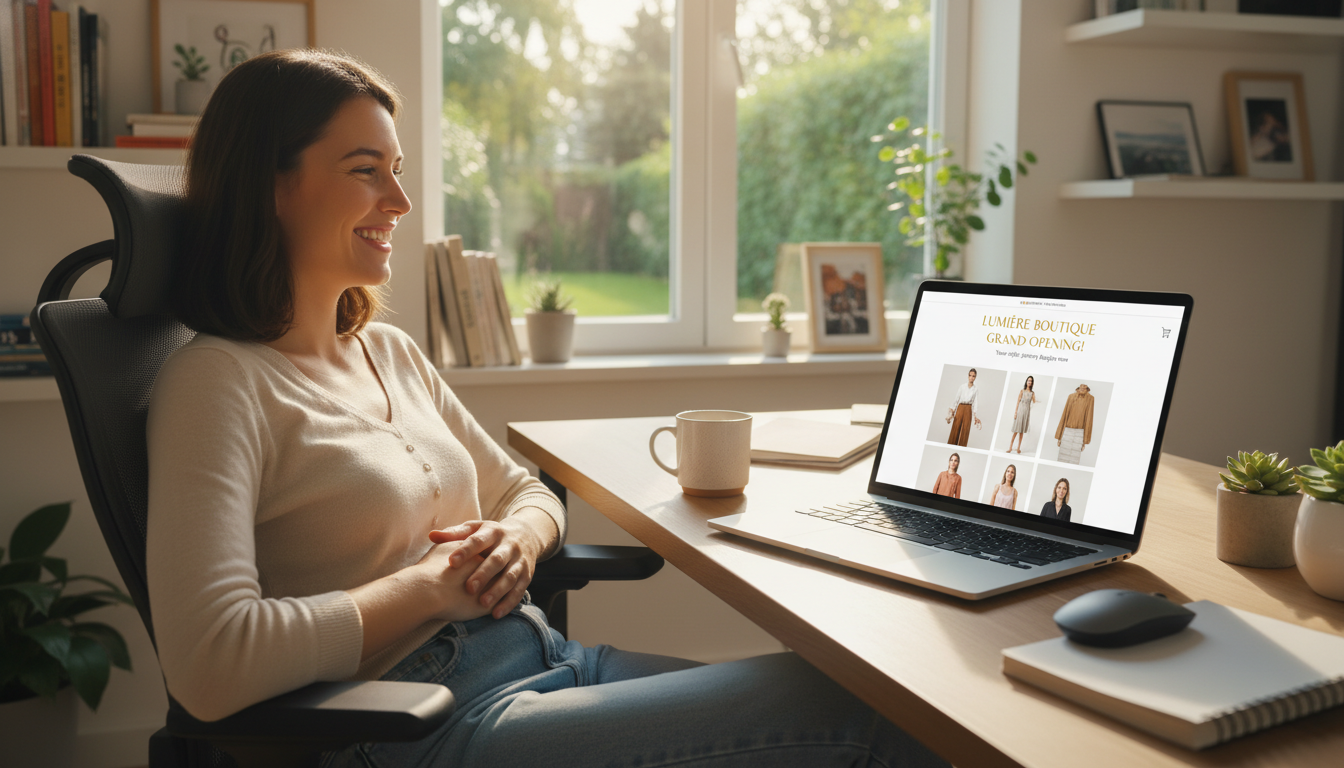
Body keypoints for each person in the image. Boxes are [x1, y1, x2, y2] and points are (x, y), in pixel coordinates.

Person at [145, 49, 946, 768]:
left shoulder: (387, 353)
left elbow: (526, 493)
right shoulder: (218, 383)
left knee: (879, 696)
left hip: (548, 659)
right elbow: (212, 663)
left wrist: (515, 545)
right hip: (419, 725)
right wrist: (430, 586)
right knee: (867, 714)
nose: (400, 199)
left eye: (397, 168)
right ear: (272, 186)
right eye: (366, 169)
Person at [1054, 383, 1095, 465]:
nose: (1083, 388)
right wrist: (1060, 437)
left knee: (1074, 460)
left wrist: (1084, 441)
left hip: (1080, 433)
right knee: (1062, 457)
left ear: (1087, 388)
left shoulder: (1090, 399)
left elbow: (1089, 419)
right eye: (1081, 387)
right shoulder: (1071, 396)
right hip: (1067, 430)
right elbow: (1065, 415)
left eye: (1085, 387)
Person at [944, 368, 982, 446]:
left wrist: (975, 416)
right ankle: (951, 444)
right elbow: (957, 398)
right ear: (968, 376)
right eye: (970, 375)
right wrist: (952, 409)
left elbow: (975, 402)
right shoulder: (962, 387)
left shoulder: (975, 389)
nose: (971, 377)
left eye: (973, 376)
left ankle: (962, 446)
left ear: (975, 377)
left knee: (965, 430)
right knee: (955, 427)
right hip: (960, 408)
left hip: (968, 409)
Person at [1006, 376, 1036, 454]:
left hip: (1026, 413)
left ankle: (1018, 448)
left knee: (1021, 432)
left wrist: (1037, 400)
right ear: (1026, 381)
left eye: (1031, 381)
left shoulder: (1032, 393)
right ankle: (1010, 448)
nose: (1029, 382)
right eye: (1028, 380)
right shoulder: (1022, 391)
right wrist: (1015, 413)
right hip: (1020, 411)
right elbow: (1018, 402)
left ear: (1032, 383)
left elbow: (1034, 402)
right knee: (1016, 430)